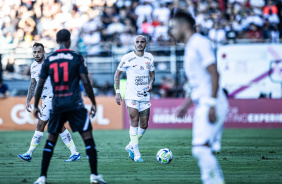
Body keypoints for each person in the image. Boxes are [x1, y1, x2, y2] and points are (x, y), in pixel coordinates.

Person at [32, 30, 106, 184]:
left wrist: (35, 105)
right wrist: (93, 102)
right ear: (69, 40)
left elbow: (39, 85)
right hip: (75, 104)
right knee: (87, 138)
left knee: (51, 139)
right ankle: (94, 176)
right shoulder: (76, 57)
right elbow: (85, 82)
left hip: (57, 104)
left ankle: (42, 177)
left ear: (57, 40)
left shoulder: (49, 60)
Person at [171, 10, 229, 184]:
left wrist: (211, 103)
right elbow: (199, 84)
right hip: (202, 101)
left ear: (184, 26)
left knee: (200, 149)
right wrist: (186, 105)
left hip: (212, 102)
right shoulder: (190, 47)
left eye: (173, 28)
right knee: (201, 149)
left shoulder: (200, 43)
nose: (171, 32)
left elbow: (214, 74)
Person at [18, 43, 80, 163]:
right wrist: (28, 100)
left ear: (43, 53)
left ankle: (29, 153)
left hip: (54, 98)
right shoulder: (33, 66)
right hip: (45, 99)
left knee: (40, 124)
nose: (36, 54)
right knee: (59, 126)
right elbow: (33, 84)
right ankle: (74, 152)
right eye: (34, 52)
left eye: (39, 52)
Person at [114, 35, 155, 162]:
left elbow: (152, 76)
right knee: (134, 120)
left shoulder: (150, 57)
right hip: (131, 95)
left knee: (144, 124)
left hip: (144, 96)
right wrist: (117, 92)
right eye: (137, 42)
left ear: (146, 44)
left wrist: (151, 84)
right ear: (134, 44)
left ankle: (131, 145)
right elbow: (117, 75)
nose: (139, 44)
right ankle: (136, 153)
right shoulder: (127, 58)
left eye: (142, 42)